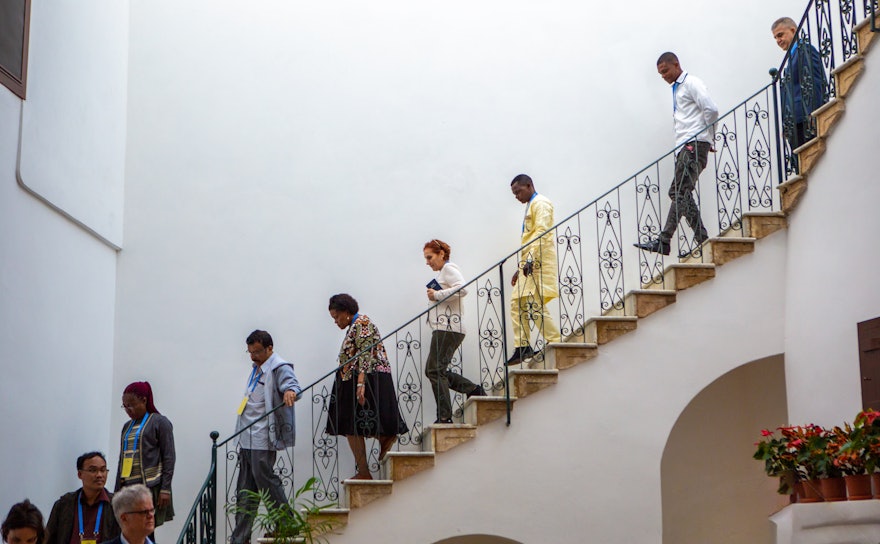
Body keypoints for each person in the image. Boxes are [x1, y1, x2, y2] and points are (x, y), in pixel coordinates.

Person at [634, 52, 719, 257]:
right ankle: (700, 240)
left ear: (676, 64)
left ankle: (666, 240)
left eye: (665, 71)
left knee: (678, 192)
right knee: (680, 192)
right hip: (687, 146)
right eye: (660, 74)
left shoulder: (691, 83)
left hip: (693, 144)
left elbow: (711, 109)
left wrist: (708, 137)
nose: (663, 76)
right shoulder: (678, 88)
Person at [326, 294, 408, 480]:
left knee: (354, 423)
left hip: (365, 377)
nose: (335, 321)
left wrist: (361, 383)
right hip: (354, 377)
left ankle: (379, 446)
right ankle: (366, 466)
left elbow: (365, 354)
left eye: (336, 317)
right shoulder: (355, 325)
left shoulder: (362, 323)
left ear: (346, 312)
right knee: (351, 425)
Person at [230, 330, 301, 544]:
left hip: (262, 436)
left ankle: (286, 524)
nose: (253, 356)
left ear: (270, 348)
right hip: (246, 437)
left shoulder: (279, 367)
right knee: (245, 490)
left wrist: (290, 392)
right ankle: (240, 538)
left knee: (267, 482)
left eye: (258, 351)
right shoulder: (257, 368)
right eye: (250, 352)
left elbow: (293, 385)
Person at [423, 239, 486, 424]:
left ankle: (445, 416)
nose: (427, 262)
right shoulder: (444, 271)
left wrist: (436, 295)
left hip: (448, 328)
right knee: (434, 370)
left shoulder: (449, 269)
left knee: (434, 370)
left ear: (441, 254)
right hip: (445, 327)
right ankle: (473, 390)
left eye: (430, 257)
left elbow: (462, 288)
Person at [507, 174, 560, 365]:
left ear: (529, 185)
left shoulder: (541, 203)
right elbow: (530, 239)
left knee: (533, 303)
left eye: (518, 191)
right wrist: (520, 266)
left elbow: (542, 233)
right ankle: (522, 346)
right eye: (514, 194)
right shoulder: (532, 205)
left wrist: (529, 260)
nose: (516, 196)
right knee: (516, 302)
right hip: (529, 263)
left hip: (538, 263)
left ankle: (556, 341)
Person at [114, 382, 175, 538]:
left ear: (144, 400)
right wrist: (116, 490)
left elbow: (169, 456)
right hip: (128, 487)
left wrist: (165, 488)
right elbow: (122, 459)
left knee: (146, 530)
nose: (128, 410)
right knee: (129, 530)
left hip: (150, 487)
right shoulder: (126, 427)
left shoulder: (160, 422)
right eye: (125, 406)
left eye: (132, 405)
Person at [771, 17, 827, 158]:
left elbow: (815, 81)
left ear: (793, 30)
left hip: (805, 119)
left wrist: (814, 114)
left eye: (780, 35)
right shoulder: (791, 57)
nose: (778, 40)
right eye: (775, 38)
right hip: (794, 122)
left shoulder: (805, 50)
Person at [46, 452, 120, 544]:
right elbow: (48, 539)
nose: (99, 475)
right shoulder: (64, 504)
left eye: (103, 470)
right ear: (80, 474)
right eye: (93, 470)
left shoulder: (117, 505)